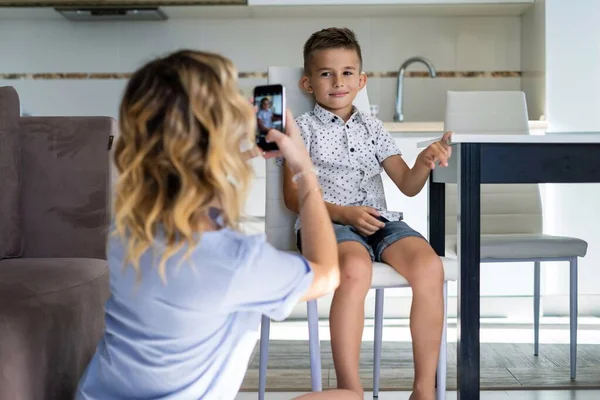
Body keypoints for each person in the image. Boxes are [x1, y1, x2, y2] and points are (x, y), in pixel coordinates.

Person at [75, 49, 360, 400]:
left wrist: (230, 155)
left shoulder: (128, 233)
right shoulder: (235, 261)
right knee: (347, 397)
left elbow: (195, 201)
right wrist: (304, 169)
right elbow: (328, 273)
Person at [281, 27, 452, 400]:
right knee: (354, 268)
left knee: (430, 267)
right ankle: (350, 390)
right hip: (326, 223)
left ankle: (423, 389)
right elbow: (294, 198)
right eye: (326, 73)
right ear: (308, 83)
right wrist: (343, 214)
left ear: (361, 80)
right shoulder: (300, 129)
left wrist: (423, 162)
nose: (337, 82)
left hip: (380, 221)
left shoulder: (373, 128)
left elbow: (407, 184)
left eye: (346, 73)